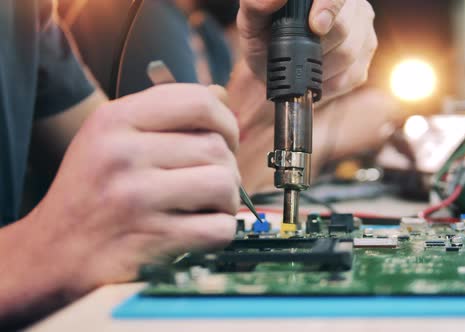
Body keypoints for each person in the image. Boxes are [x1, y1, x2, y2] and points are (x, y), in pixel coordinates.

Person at [0, 0, 378, 328]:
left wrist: (256, 82)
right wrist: (39, 252)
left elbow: (156, 182)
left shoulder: (30, 17)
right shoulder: (142, 20)